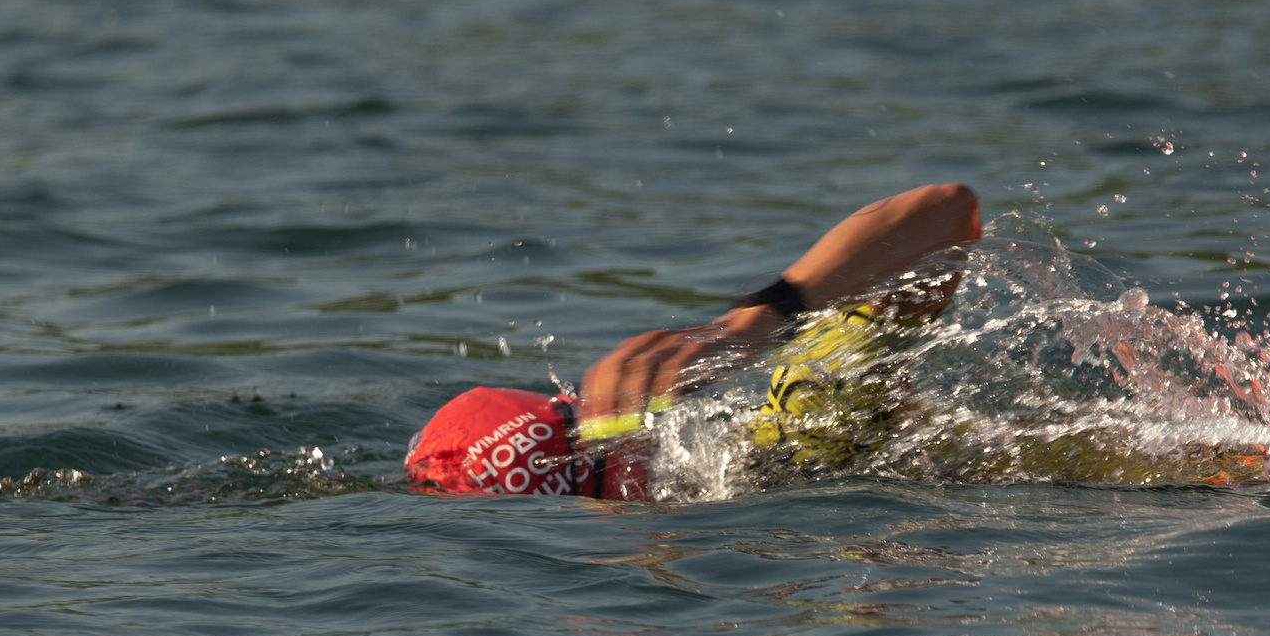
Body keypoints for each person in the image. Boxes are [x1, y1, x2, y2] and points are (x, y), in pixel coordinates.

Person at [404, 183, 982, 498]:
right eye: (620, 492)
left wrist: (763, 316)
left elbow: (948, 212)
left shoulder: (807, 425)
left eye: (633, 466)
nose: (650, 490)